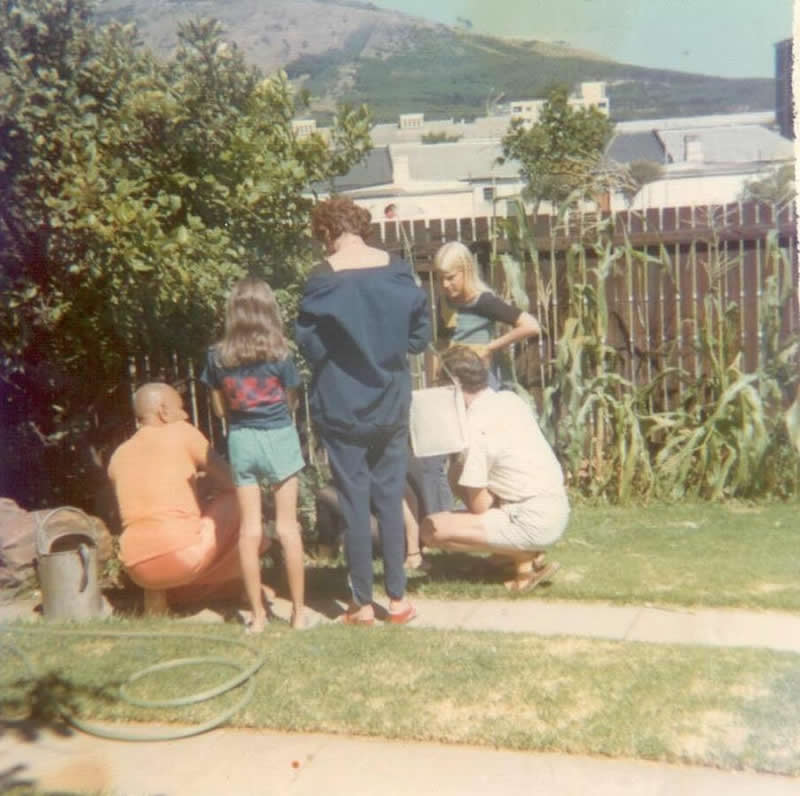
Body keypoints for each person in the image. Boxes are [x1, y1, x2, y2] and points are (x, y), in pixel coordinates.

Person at [296, 196, 431, 625]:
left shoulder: (321, 278)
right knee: (390, 498)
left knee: (354, 501)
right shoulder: (398, 271)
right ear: (361, 227)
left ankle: (360, 604)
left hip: (341, 405)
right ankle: (398, 600)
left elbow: (310, 346)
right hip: (390, 402)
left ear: (326, 232)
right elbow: (418, 338)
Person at [202, 277, 306, 632]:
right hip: (279, 437)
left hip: (242, 440)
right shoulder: (281, 352)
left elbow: (219, 409)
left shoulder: (217, 356)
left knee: (249, 531)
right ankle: (298, 615)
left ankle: (258, 617)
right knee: (287, 528)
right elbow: (290, 401)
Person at [420, 346, 569, 591]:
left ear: (454, 384)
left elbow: (479, 506)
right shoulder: (509, 399)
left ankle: (525, 554)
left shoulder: (475, 427)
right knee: (457, 475)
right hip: (555, 508)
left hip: (530, 518)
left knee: (431, 529)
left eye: (440, 382)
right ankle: (508, 554)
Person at [108, 383, 245, 615]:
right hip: (181, 559)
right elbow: (234, 481)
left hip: (136, 568)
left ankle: (158, 601)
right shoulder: (182, 432)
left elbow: (151, 502)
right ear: (163, 411)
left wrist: (197, 486)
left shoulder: (118, 455)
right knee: (242, 499)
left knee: (152, 527)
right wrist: (211, 484)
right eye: (181, 408)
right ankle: (247, 590)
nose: (186, 415)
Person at [434, 240, 541, 388]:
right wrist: (437, 376)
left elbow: (531, 326)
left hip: (481, 382)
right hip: (453, 380)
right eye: (440, 278)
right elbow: (441, 342)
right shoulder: (445, 302)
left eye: (450, 277)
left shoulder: (484, 301)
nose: (445, 284)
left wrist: (490, 347)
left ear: (466, 270)